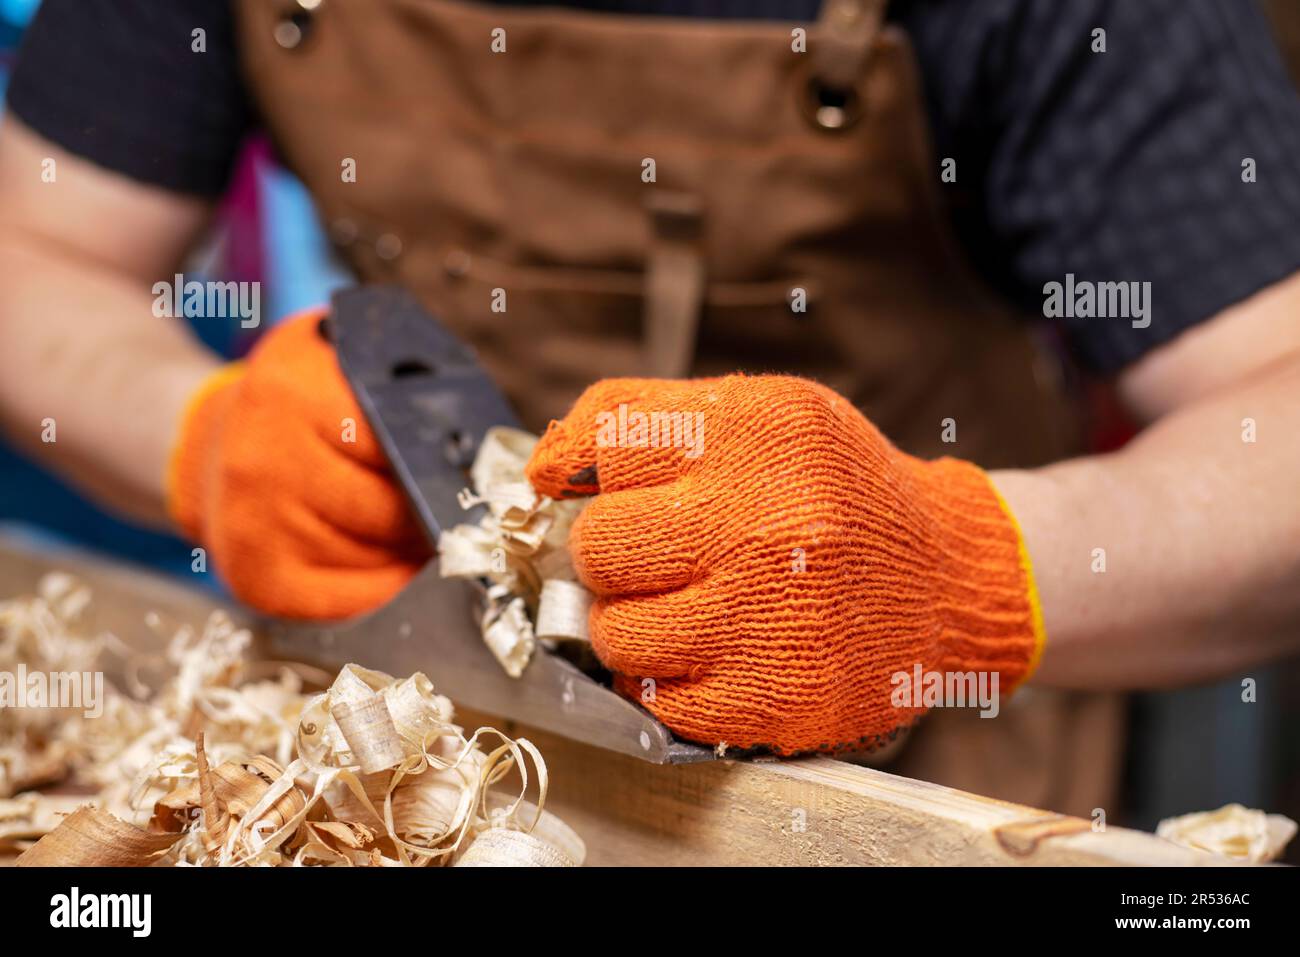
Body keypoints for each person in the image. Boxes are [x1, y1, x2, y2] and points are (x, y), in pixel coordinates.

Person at [2, 0, 1299, 815]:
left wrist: (955, 565)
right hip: (421, 750)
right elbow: (33, 254)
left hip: (917, 746)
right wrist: (198, 430)